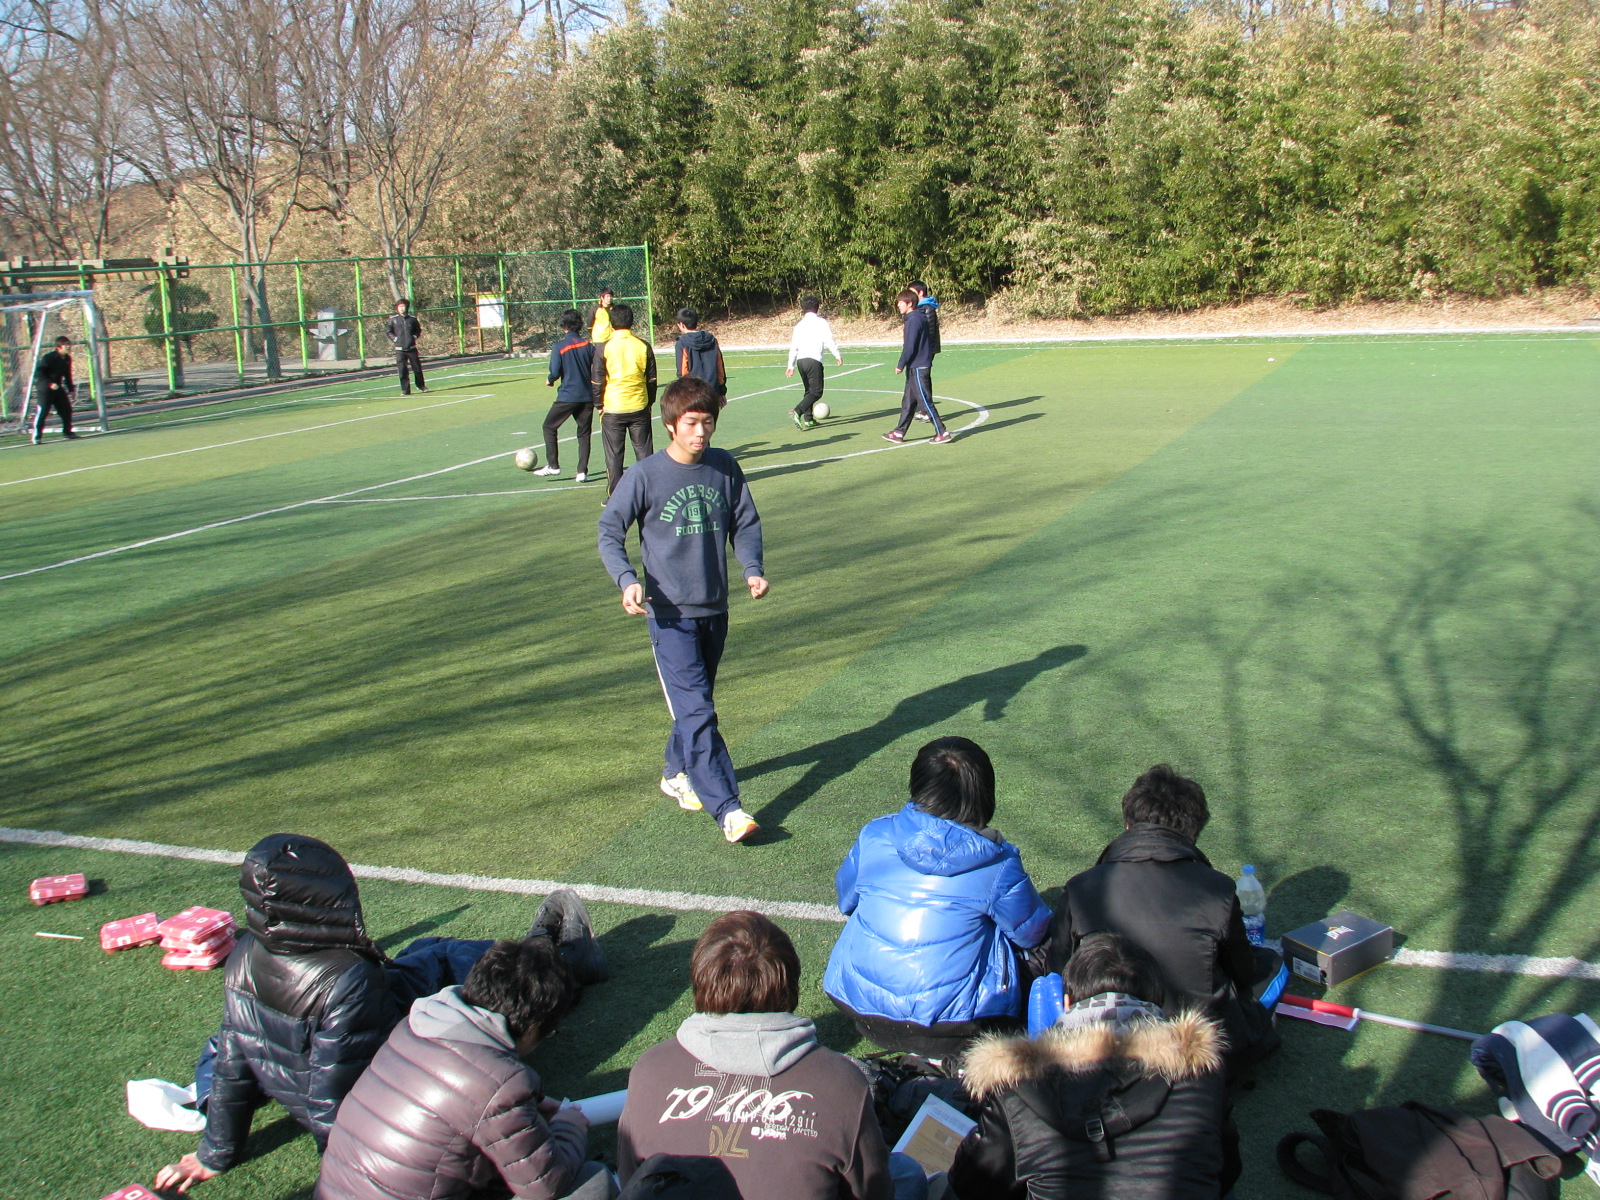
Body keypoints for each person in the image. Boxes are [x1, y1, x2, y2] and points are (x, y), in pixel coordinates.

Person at [153, 834, 606, 1193]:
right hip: (369, 1097)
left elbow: (232, 1059)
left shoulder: (244, 954)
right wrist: (348, 1164)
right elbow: (333, 1097)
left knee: (423, 950)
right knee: (444, 958)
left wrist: (216, 1153)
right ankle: (560, 959)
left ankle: (545, 955)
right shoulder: (348, 979)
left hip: (301, 1079)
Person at [617, 912, 897, 1200]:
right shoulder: (840, 1082)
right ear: (790, 983)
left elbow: (631, 1183)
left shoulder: (650, 1069)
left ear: (701, 979)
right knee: (906, 1171)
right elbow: (874, 1193)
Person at [597, 376, 767, 844]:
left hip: (715, 607)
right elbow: (609, 531)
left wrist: (751, 568)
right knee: (697, 711)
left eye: (707, 422)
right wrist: (627, 580)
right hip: (669, 615)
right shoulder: (644, 476)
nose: (701, 432)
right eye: (691, 423)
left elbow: (745, 522)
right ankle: (728, 808)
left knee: (695, 703)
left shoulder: (724, 466)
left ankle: (676, 771)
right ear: (671, 424)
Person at [316, 938, 617, 1200]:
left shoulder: (415, 1027)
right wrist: (570, 1125)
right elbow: (546, 1183)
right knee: (594, 1182)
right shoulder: (498, 1082)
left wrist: (529, 1106)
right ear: (533, 1027)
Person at [948, 933, 1238, 1200]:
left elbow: (972, 1184)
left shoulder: (1014, 1087)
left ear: (1066, 1003)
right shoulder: (1202, 1075)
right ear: (1156, 1002)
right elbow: (1225, 1170)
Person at [1046, 764, 1280, 1077]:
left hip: (1100, 1048)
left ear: (1128, 824)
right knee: (1273, 964)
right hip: (1196, 1054)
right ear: (1193, 833)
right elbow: (1243, 972)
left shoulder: (1081, 887)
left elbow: (1057, 970)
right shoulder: (1218, 890)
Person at [822, 736, 1051, 1057]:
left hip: (860, 1008)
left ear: (918, 784)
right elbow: (1033, 933)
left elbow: (846, 901)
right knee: (1046, 946)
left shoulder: (874, 833)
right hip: (954, 1026)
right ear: (984, 793)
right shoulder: (998, 861)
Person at [589, 302, 657, 498]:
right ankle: (649, 494)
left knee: (614, 456)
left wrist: (598, 405)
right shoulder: (643, 346)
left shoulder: (604, 347)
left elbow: (597, 381)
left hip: (613, 408)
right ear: (632, 322)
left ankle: (616, 497)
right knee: (644, 453)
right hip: (639, 406)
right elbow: (651, 379)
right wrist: (649, 402)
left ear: (611, 323)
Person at [882, 290, 949, 445]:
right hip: (914, 366)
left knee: (925, 401)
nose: (898, 305)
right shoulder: (915, 317)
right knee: (908, 402)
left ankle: (942, 432)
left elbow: (910, 346)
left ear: (910, 303)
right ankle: (899, 432)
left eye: (901, 302)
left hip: (918, 366)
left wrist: (900, 364)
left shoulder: (914, 319)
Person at [537, 308, 595, 481]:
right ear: (580, 325)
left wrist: (550, 380)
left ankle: (553, 465)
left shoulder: (559, 346)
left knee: (549, 427)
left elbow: (555, 372)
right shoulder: (588, 346)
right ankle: (582, 471)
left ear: (563, 326)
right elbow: (597, 367)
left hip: (568, 396)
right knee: (584, 434)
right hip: (587, 396)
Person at [784, 294, 842, 429]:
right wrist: (837, 355)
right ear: (817, 307)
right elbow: (829, 340)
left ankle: (808, 418)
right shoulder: (821, 322)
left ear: (803, 308)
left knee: (808, 391)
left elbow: (794, 346)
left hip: (801, 361)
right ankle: (797, 411)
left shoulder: (799, 325)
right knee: (816, 392)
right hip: (814, 360)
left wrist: (790, 365)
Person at [673, 306, 727, 404]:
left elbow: (683, 371)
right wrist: (721, 391)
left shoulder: (682, 343)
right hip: (712, 391)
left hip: (693, 394)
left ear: (681, 324)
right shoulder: (711, 340)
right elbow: (720, 368)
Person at [30, 334, 77, 443]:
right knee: (43, 411)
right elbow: (40, 373)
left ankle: (68, 432)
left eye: (69, 345)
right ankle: (37, 436)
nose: (69, 347)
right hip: (45, 389)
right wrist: (49, 384)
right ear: (59, 347)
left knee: (66, 409)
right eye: (66, 345)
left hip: (57, 388)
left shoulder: (67, 359)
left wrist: (71, 389)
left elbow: (67, 375)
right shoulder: (48, 358)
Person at [906, 282, 940, 421]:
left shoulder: (926, 308)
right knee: (920, 379)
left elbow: (929, 332)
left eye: (912, 292)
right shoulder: (921, 307)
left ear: (920, 293)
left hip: (926, 350)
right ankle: (924, 409)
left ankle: (927, 410)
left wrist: (923, 349)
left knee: (922, 379)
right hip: (924, 349)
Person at [387, 298, 426, 395]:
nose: (401, 309)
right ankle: (405, 389)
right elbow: (389, 331)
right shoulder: (393, 319)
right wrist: (395, 339)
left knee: (417, 368)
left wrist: (414, 337)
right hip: (400, 350)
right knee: (402, 370)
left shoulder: (412, 319)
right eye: (399, 307)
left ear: (407, 307)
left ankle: (421, 385)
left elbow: (418, 330)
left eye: (403, 306)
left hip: (411, 348)